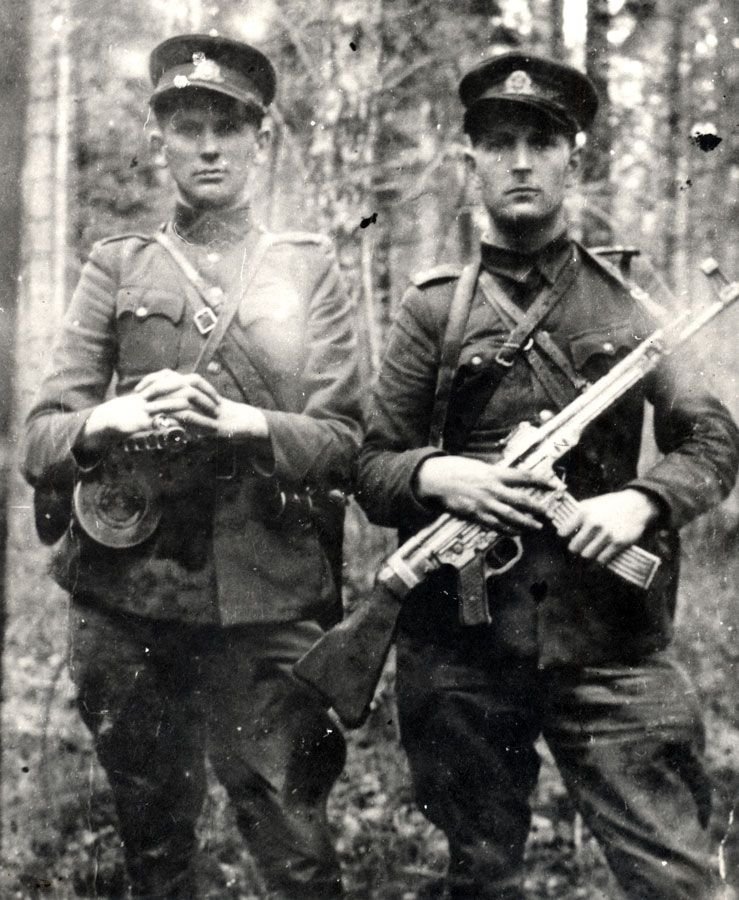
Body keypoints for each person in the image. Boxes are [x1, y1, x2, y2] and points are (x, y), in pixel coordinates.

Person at [357, 50, 739, 899]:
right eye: (499, 143)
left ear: (574, 157)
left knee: (678, 877)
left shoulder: (631, 302)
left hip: (609, 641)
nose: (521, 162)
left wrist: (642, 500)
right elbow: (371, 464)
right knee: (481, 875)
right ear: (471, 161)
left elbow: (713, 441)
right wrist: (440, 477)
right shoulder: (431, 310)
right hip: (462, 652)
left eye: (542, 141)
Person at [23, 34, 361, 899]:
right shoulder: (117, 265)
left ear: (261, 139)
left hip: (266, 596)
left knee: (296, 848)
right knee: (154, 843)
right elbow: (39, 440)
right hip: (129, 598)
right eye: (187, 127)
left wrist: (247, 423)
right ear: (158, 140)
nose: (208, 147)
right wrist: (108, 417)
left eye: (228, 127)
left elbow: (343, 441)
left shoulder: (307, 267)